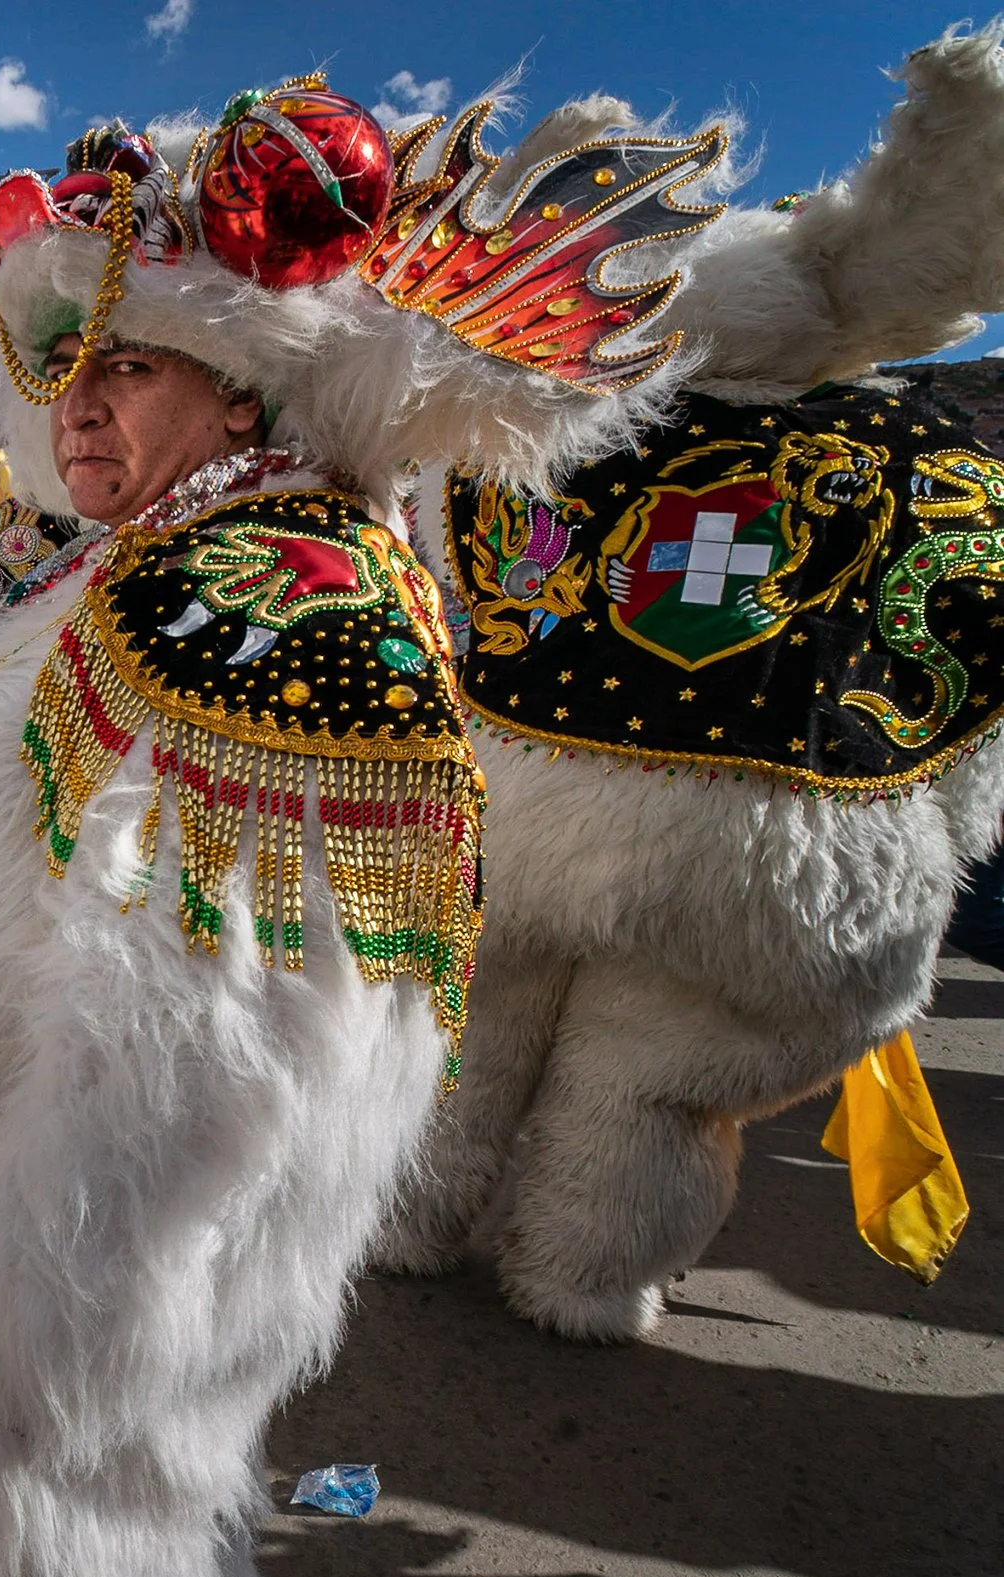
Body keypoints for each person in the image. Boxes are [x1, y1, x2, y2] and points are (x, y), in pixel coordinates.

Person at [0, 85, 715, 1577]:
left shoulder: (280, 605)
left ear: (238, 390)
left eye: (130, 366)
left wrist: (40, 1332)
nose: (79, 409)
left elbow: (223, 1036)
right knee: (63, 1537)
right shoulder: (167, 553)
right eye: (64, 374)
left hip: (42, 1304)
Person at [379, 28, 1004, 1341]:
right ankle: (588, 1280)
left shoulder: (527, 437)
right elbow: (969, 667)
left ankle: (408, 1218)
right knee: (662, 1083)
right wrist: (943, 834)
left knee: (473, 1026)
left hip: (527, 812)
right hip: (785, 854)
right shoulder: (926, 454)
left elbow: (443, 595)